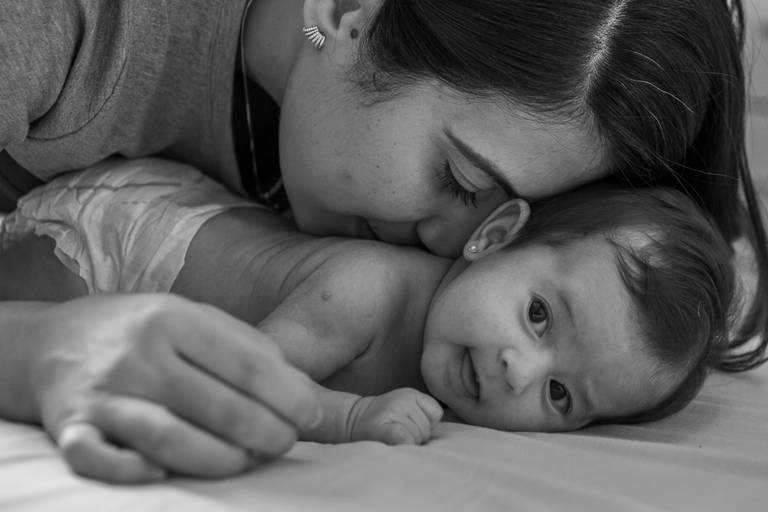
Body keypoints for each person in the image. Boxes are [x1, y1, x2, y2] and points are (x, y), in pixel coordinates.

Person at [1, 0, 766, 482]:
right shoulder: (66, 23)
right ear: (343, 12)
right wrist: (37, 350)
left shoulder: (372, 204)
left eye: (506, 217)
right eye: (462, 179)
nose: (457, 238)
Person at [0, 157, 741, 480]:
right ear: (491, 239)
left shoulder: (458, 346)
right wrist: (350, 417)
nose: (520, 368)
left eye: (561, 397)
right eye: (540, 316)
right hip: (119, 238)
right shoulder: (369, 289)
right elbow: (249, 371)